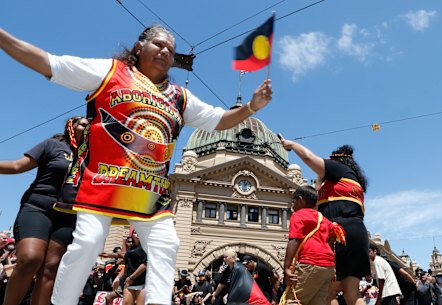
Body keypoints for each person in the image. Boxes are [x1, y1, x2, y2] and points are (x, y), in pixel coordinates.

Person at [0, 24, 272, 305]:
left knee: (167, 245)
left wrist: (252, 107)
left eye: (171, 49)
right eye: (158, 44)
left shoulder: (180, 96)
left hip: (149, 190)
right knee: (88, 243)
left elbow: (219, 119)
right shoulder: (111, 72)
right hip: (105, 181)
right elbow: (49, 63)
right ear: (139, 47)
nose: (165, 51)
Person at [0, 116, 88, 305]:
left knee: (51, 267)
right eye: (81, 123)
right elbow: (17, 166)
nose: (86, 126)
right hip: (38, 207)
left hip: (70, 216)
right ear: (70, 127)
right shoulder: (54, 145)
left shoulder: (95, 155)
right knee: (31, 258)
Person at [280, 141, 369, 305]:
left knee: (330, 292)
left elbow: (308, 157)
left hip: (338, 233)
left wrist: (292, 145)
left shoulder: (338, 169)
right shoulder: (353, 181)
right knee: (353, 293)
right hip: (359, 234)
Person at [282, 185, 338, 305]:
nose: (292, 205)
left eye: (294, 201)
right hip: (328, 266)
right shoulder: (323, 218)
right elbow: (333, 237)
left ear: (300, 199)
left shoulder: (299, 215)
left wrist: (286, 267)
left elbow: (294, 240)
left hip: (310, 262)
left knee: (292, 301)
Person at [114, 233, 147, 305]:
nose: (138, 234)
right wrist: (118, 278)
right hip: (129, 282)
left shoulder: (146, 247)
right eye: (135, 232)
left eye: (139, 232)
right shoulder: (130, 250)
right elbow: (127, 265)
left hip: (143, 282)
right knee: (126, 303)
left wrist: (131, 278)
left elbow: (144, 265)